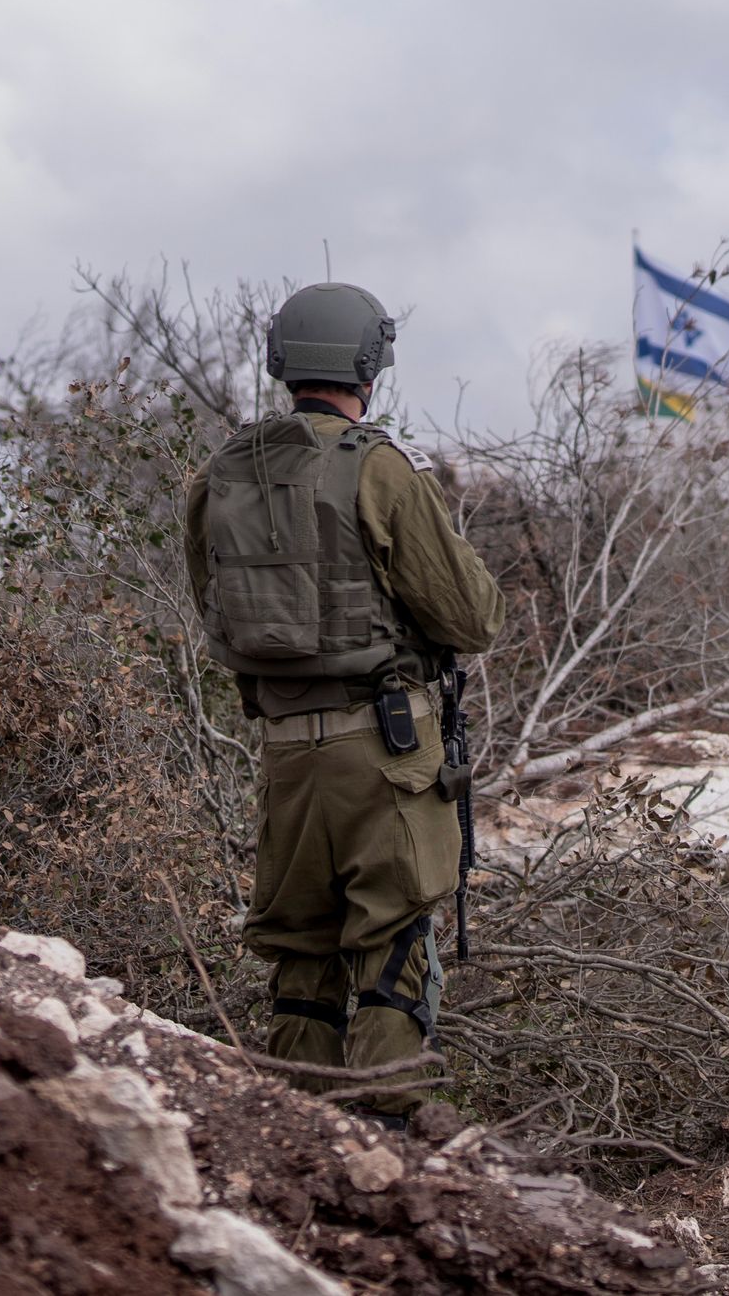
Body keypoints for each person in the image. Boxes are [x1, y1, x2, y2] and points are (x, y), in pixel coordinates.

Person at [183, 281, 505, 1126]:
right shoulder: (379, 466)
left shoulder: (218, 475)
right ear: (369, 365)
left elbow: (209, 601)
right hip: (388, 753)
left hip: (286, 753)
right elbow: (472, 618)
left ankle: (297, 1138)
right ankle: (385, 1145)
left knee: (300, 956)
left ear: (283, 362)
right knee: (392, 941)